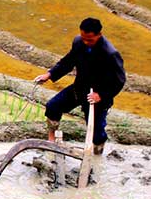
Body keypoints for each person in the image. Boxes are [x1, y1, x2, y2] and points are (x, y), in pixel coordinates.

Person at [33, 17, 125, 155]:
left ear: (99, 35)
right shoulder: (78, 42)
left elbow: (119, 80)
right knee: (53, 106)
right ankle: (51, 141)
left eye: (90, 40)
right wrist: (50, 74)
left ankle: (96, 154)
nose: (86, 42)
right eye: (83, 38)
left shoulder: (110, 53)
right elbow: (68, 62)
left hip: (97, 96)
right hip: (79, 88)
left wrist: (101, 95)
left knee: (96, 132)